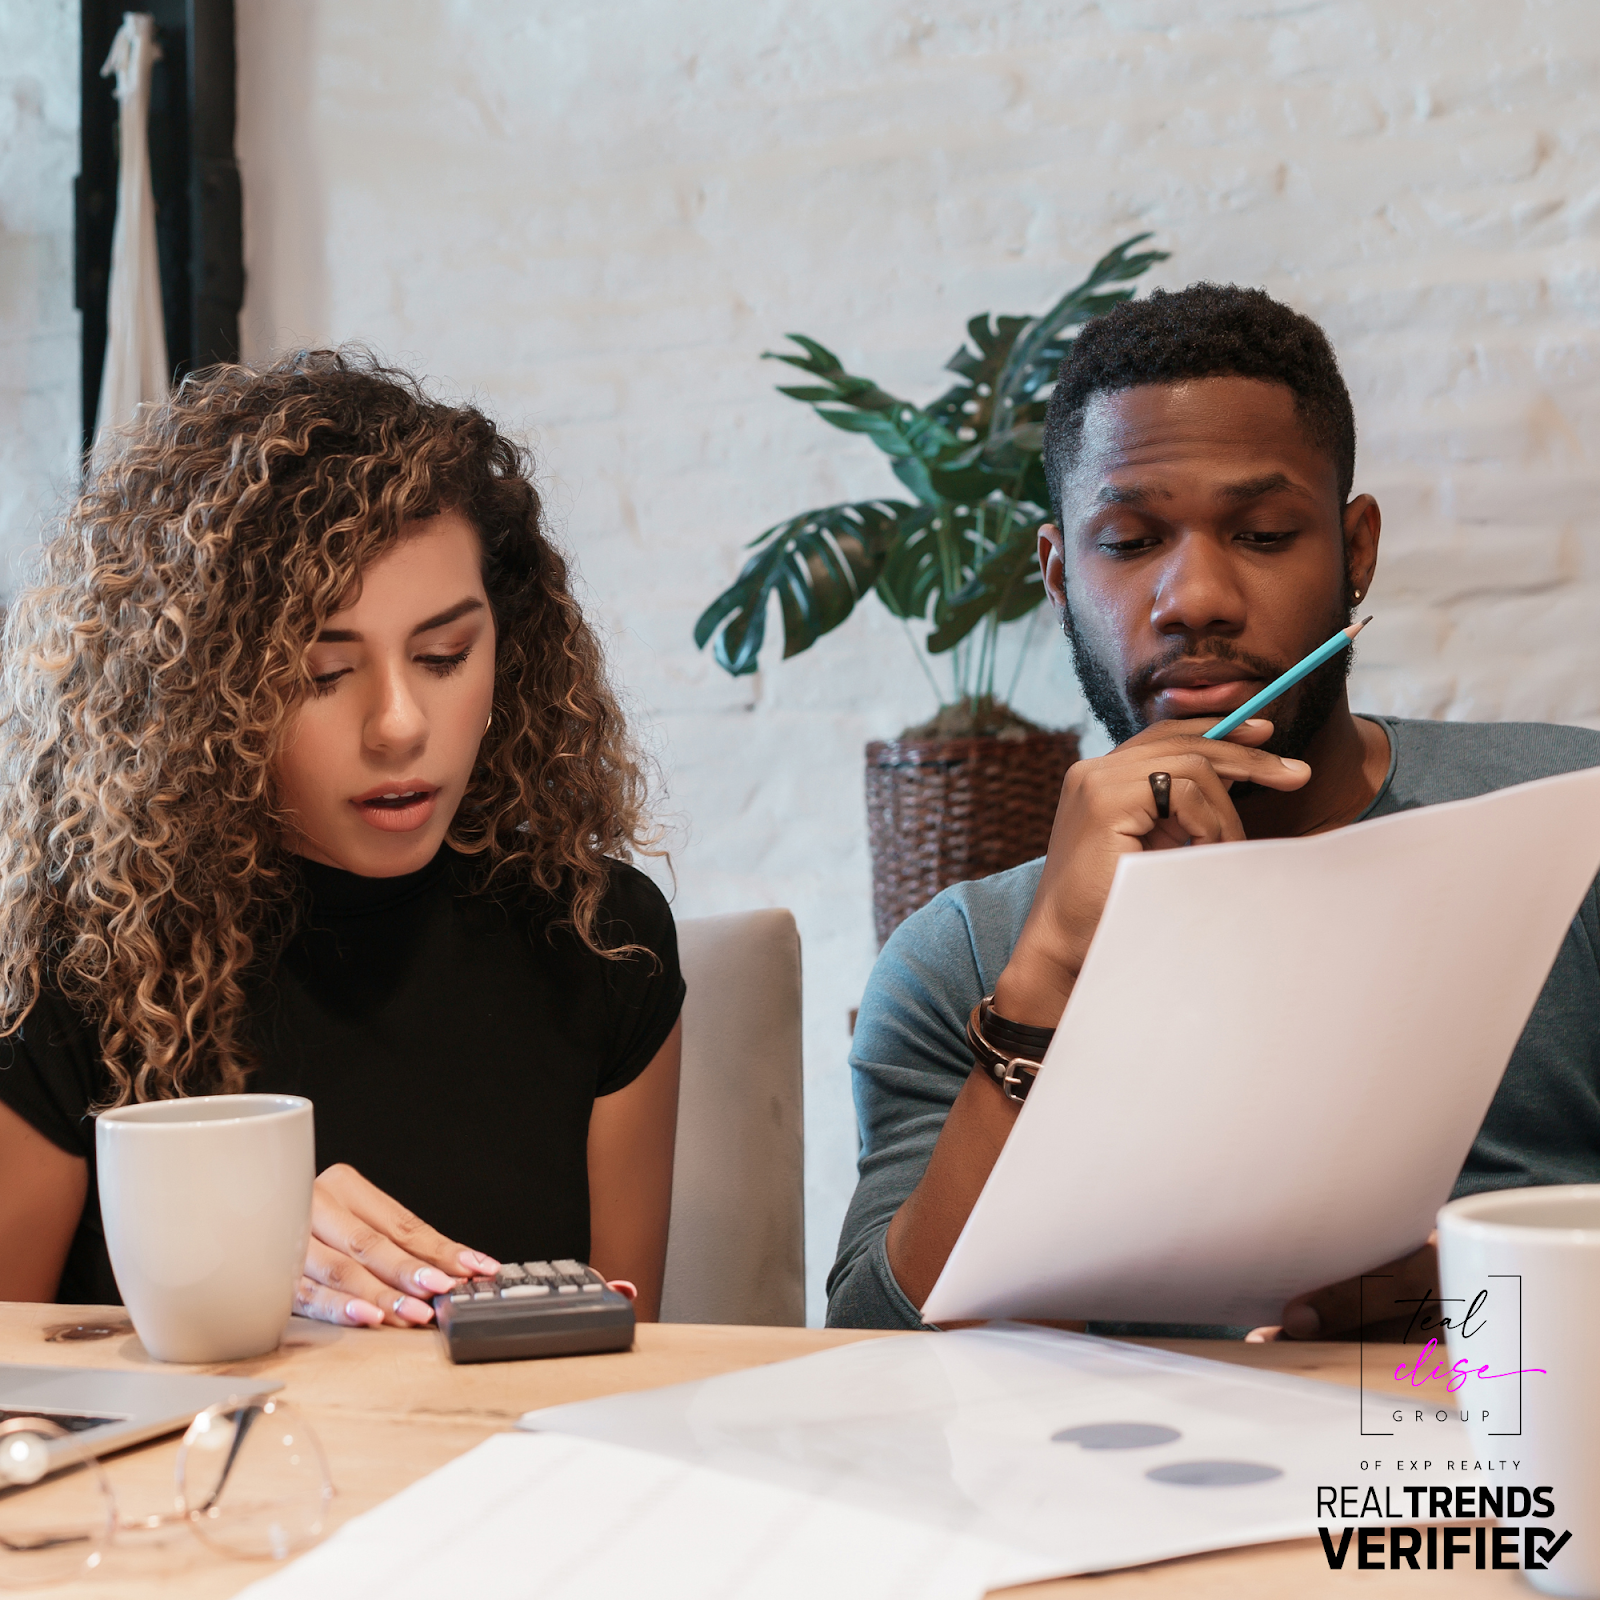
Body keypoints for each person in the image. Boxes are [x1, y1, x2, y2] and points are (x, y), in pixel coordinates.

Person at [828, 283, 1600, 1337]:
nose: (1194, 598)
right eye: (1128, 541)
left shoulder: (1571, 824)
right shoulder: (962, 959)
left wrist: (1448, 1291)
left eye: (1264, 533)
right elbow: (872, 1350)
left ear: (1356, 550)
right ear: (1056, 574)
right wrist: (1048, 970)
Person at [0, 350, 684, 1326]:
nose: (398, 725)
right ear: (203, 695)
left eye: (444, 655)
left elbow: (626, 1357)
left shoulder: (600, 938)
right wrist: (230, 1254)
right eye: (322, 673)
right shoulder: (75, 965)